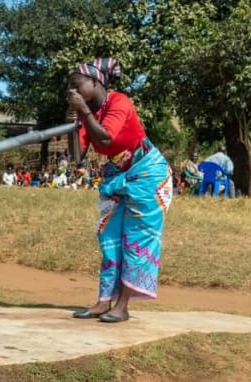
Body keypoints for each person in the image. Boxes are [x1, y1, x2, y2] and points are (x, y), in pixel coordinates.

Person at [66, 58, 172, 323]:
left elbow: (106, 138)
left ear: (95, 81)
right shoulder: (87, 113)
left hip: (147, 173)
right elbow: (77, 156)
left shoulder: (119, 102)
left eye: (78, 87)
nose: (73, 93)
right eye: (71, 90)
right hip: (117, 175)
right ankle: (104, 301)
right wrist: (73, 123)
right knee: (109, 237)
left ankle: (122, 306)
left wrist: (84, 114)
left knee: (136, 241)